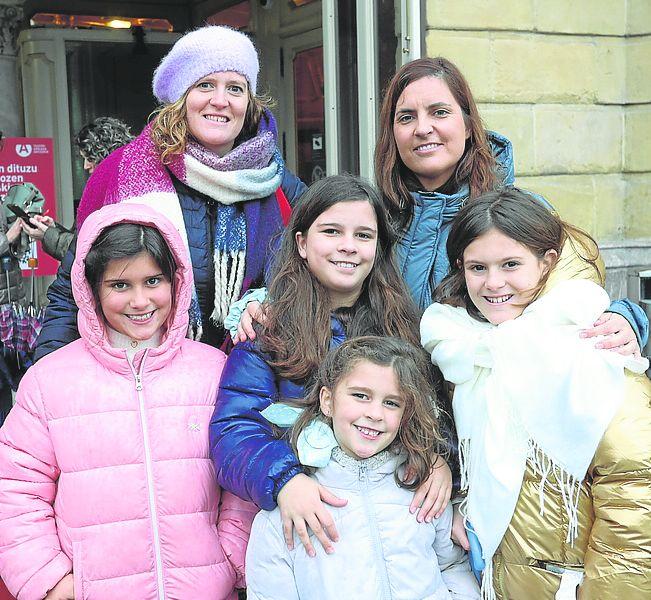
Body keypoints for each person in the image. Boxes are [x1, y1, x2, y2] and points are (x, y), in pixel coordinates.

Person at [232, 57, 647, 356]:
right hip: (392, 424)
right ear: (392, 133)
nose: (423, 128)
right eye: (406, 116)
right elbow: (312, 277)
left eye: (440, 112)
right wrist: (260, 302)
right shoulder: (372, 216)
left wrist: (630, 319)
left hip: (492, 419)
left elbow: (580, 298)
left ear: (468, 125)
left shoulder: (520, 212)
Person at [0, 203, 257, 600]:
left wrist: (229, 561)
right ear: (92, 289)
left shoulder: (214, 371)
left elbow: (241, 479)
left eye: (153, 281)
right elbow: (15, 488)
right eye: (120, 285)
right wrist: (50, 580)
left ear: (176, 281)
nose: (140, 301)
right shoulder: (50, 382)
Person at [420, 188, 651, 599]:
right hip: (496, 580)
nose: (493, 283)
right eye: (478, 267)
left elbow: (635, 500)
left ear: (547, 262)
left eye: (511, 264)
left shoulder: (596, 348)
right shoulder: (462, 351)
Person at [211, 175, 453, 559]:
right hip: (307, 535)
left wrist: (437, 459)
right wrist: (284, 479)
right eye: (332, 231)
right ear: (303, 243)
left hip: (389, 534)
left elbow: (427, 413)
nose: (348, 247)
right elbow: (233, 429)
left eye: (363, 235)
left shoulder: (403, 327)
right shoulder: (267, 327)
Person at [33, 25, 305, 359]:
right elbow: (73, 290)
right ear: (180, 97)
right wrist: (45, 375)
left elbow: (313, 274)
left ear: (249, 102)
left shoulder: (275, 181)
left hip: (242, 382)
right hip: (141, 377)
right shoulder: (120, 173)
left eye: (235, 88)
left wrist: (270, 301)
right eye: (205, 85)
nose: (220, 101)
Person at [246, 336, 480, 600]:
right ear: (327, 400)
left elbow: (452, 565)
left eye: (391, 403)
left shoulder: (423, 487)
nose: (375, 414)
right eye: (360, 396)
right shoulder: (288, 508)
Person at [20, 117, 134, 261]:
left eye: (89, 158)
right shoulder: (121, 185)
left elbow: (91, 251)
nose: (86, 166)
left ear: (104, 156)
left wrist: (47, 235)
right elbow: (81, 239)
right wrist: (53, 228)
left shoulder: (116, 193)